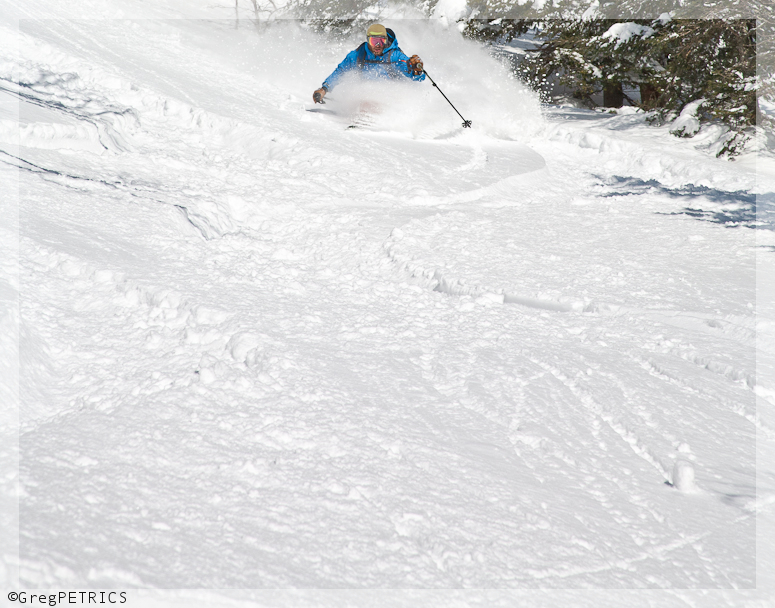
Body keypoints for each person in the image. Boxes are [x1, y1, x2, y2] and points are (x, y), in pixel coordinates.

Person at [313, 24, 425, 104]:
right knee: (361, 94)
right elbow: (340, 71)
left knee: (369, 98)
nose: (377, 45)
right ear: (368, 41)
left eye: (381, 41)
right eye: (373, 41)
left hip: (391, 96)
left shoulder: (394, 55)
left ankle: (369, 115)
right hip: (365, 95)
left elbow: (415, 75)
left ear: (386, 41)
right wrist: (324, 89)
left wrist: (416, 69)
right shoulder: (358, 55)